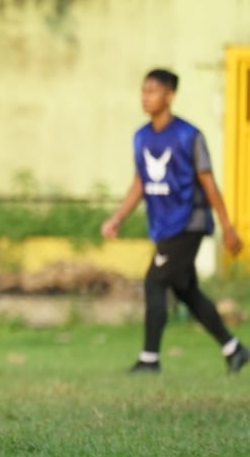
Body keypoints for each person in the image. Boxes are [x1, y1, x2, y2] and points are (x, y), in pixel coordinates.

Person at [100, 68, 247, 375]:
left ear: (169, 95)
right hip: (164, 223)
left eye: (152, 91)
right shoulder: (141, 137)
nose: (146, 97)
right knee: (185, 290)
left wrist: (227, 226)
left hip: (188, 221)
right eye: (143, 91)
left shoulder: (188, 135)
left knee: (155, 280)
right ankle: (234, 349)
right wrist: (118, 217)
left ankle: (149, 359)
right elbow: (140, 182)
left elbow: (208, 182)